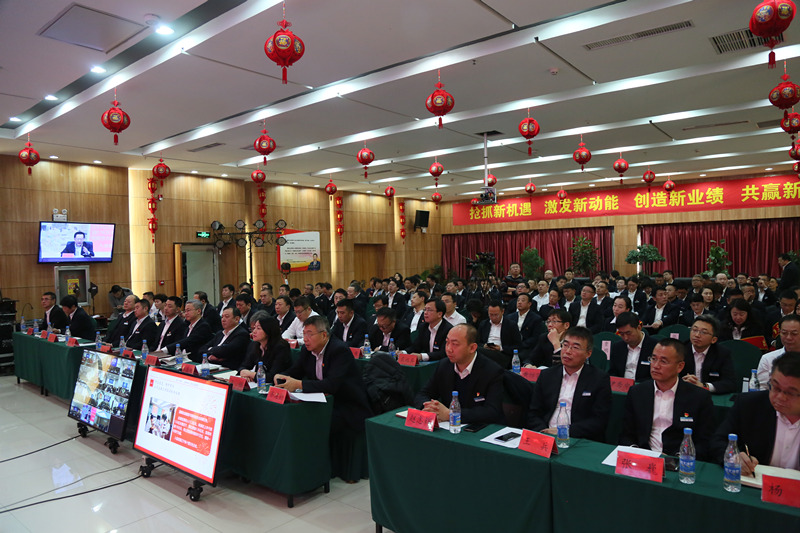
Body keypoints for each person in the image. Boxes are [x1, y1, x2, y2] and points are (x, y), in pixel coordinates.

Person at [274, 316, 373, 442]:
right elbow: (296, 371)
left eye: (310, 334)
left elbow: (331, 385)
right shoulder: (307, 350)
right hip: (323, 402)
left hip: (345, 405)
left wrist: (299, 384)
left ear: (324, 335)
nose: (305, 339)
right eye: (304, 334)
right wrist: (281, 376)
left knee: (308, 422)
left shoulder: (339, 350)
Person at [620, 339, 715, 460]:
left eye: (663, 361)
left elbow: (705, 441)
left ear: (680, 366)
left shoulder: (699, 397)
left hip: (679, 460)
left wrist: (678, 458)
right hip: (643, 457)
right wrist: (635, 452)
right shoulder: (637, 392)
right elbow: (626, 434)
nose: (656, 366)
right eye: (653, 359)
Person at [712, 351, 800, 475]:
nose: (780, 397)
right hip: (755, 481)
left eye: (790, 393)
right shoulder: (749, 405)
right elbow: (718, 441)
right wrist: (733, 457)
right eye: (775, 387)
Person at [526, 326, 612, 442]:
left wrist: (565, 431)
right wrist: (543, 431)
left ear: (588, 353)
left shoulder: (599, 379)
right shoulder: (547, 375)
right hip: (545, 435)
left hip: (578, 438)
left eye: (575, 347)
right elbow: (533, 412)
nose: (567, 351)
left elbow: (599, 420)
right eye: (565, 345)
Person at [415, 324, 504, 425]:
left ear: (472, 348)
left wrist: (450, 414)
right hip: (449, 427)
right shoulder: (444, 365)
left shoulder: (492, 371)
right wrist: (428, 408)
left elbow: (492, 411)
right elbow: (423, 394)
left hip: (479, 428)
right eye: (447, 342)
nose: (449, 349)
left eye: (455, 344)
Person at [681, 315, 736, 394]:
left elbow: (730, 383)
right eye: (695, 330)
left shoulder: (722, 353)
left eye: (703, 332)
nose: (697, 335)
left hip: (710, 396)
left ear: (713, 340)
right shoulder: (680, 350)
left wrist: (704, 386)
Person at [608, 312, 660, 382]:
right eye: (621, 334)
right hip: (621, 385)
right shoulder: (617, 347)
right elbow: (613, 372)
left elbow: (658, 375)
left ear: (639, 327)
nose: (626, 338)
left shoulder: (655, 346)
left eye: (628, 333)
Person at [239, 315, 292, 382]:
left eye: (258, 328)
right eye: (254, 328)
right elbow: (244, 365)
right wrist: (243, 372)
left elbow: (273, 376)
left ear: (268, 330)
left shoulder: (281, 348)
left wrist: (250, 374)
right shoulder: (255, 344)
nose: (254, 331)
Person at [757, 314, 800, 388]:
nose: (788, 337)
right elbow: (761, 389)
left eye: (794, 334)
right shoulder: (768, 359)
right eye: (784, 333)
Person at [478, 300, 522, 369]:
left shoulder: (511, 325)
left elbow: (518, 346)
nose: (493, 317)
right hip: (485, 352)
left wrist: (501, 348)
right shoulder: (484, 324)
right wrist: (484, 346)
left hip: (502, 355)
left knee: (477, 351)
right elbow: (477, 342)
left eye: (496, 315)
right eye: (491, 315)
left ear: (502, 311)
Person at [506, 292, 542, 363]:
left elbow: (535, 337)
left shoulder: (536, 318)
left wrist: (521, 345)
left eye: (523, 300)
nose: (519, 302)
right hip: (511, 346)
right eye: (518, 300)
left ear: (529, 304)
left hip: (526, 347)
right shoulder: (509, 317)